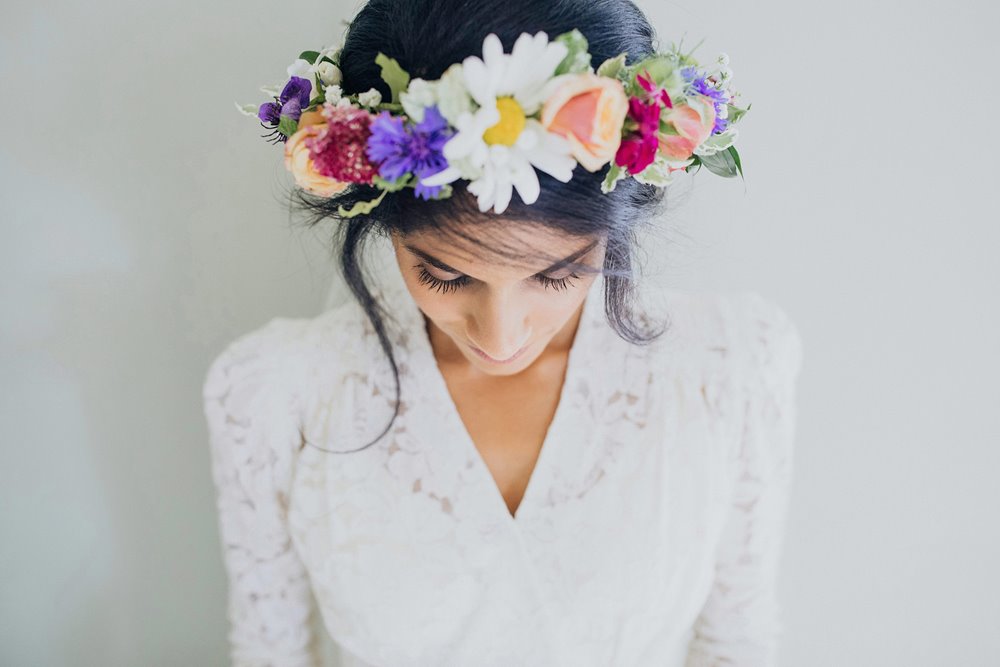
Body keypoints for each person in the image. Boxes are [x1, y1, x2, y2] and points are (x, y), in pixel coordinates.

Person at [203, 0, 804, 665]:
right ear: (382, 225)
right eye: (446, 277)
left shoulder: (731, 367)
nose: (500, 334)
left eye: (556, 275)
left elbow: (738, 645)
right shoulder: (270, 394)